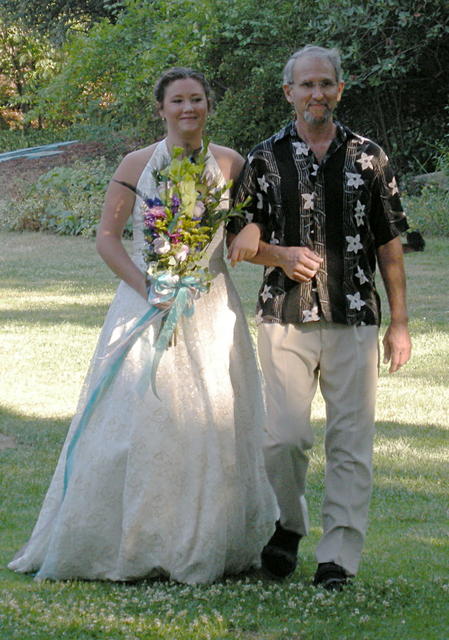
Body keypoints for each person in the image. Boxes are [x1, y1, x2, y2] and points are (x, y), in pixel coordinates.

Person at [8, 67, 276, 584]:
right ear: (162, 109)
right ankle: (130, 540)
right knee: (139, 419)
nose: (188, 109)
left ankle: (205, 539)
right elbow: (107, 238)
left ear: (208, 105)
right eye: (177, 101)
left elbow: (255, 220)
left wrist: (258, 228)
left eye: (197, 99)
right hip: (145, 301)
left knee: (215, 417)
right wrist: (147, 286)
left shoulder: (231, 162)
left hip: (210, 302)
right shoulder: (136, 163)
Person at [227, 45, 412, 590]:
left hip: (356, 316)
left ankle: (338, 557)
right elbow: (240, 237)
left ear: (339, 88)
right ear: (289, 93)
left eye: (325, 83)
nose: (316, 94)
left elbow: (390, 244)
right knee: (282, 438)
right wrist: (280, 255)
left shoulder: (370, 157)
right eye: (305, 85)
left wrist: (399, 322)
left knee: (351, 442)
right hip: (284, 315)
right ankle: (289, 523)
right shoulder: (263, 159)